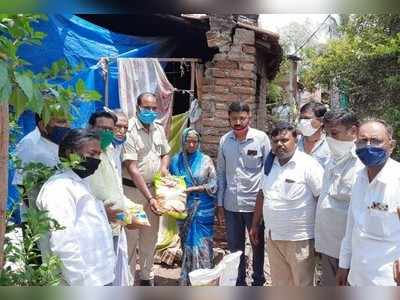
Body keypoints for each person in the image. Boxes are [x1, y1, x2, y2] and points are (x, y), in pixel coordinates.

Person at [36, 129, 115, 286]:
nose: (96, 160)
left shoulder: (82, 184)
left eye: (98, 155)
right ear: (71, 152)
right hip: (81, 282)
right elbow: (63, 242)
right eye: (92, 153)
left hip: (100, 277)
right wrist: (80, 282)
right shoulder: (59, 188)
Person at [250, 122, 323, 286]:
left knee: (303, 286)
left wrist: (321, 236)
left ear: (295, 139)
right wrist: (255, 224)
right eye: (275, 141)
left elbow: (321, 200)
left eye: (284, 140)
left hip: (300, 240)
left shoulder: (308, 165)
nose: (280, 145)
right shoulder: (269, 165)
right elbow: (262, 194)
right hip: (273, 237)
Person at [337, 119, 400, 286]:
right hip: (357, 275)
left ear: (391, 145)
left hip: (386, 280)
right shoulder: (359, 178)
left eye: (376, 141)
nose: (368, 145)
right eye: (363, 141)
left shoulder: (397, 180)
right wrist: (344, 265)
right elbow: (351, 227)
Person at [217, 102, 269, 286]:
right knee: (234, 248)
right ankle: (239, 282)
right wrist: (220, 204)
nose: (238, 122)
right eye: (234, 119)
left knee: (257, 244)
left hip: (254, 205)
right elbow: (221, 174)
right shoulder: (225, 141)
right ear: (229, 119)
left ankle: (258, 281)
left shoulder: (261, 139)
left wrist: (264, 204)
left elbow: (268, 172)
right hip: (231, 204)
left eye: (242, 118)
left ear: (249, 118)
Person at [122, 92, 171, 286]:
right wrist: (150, 198)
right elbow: (132, 168)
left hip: (154, 192)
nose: (150, 112)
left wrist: (164, 167)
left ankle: (146, 278)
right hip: (132, 194)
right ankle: (126, 282)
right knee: (130, 240)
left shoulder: (158, 128)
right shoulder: (129, 130)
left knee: (150, 239)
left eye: (154, 108)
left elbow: (165, 152)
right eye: (147, 108)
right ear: (138, 107)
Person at [87, 110, 139, 286]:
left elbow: (115, 188)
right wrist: (123, 218)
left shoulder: (110, 150)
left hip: (114, 227)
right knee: (98, 277)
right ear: (90, 128)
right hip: (97, 228)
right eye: (102, 128)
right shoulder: (87, 157)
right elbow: (93, 199)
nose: (108, 133)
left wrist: (128, 215)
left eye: (111, 129)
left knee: (110, 273)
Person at [314, 109, 362, 286]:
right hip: (328, 247)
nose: (329, 139)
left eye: (334, 133)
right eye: (327, 133)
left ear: (354, 132)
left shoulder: (362, 165)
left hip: (349, 254)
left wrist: (346, 259)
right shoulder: (332, 159)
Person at [169, 128, 217, 286]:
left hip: (203, 209)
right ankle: (188, 280)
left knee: (202, 245)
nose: (191, 144)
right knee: (186, 244)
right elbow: (170, 182)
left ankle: (203, 280)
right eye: (188, 141)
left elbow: (214, 184)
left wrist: (194, 189)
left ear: (198, 142)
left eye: (194, 141)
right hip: (183, 208)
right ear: (183, 141)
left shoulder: (206, 160)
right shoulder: (176, 161)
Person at [297, 101, 330, 168]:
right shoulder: (295, 142)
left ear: (321, 121)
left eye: (307, 118)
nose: (302, 122)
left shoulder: (330, 146)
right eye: (301, 118)